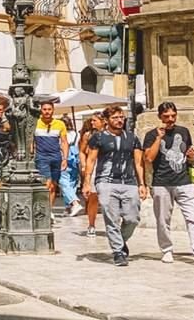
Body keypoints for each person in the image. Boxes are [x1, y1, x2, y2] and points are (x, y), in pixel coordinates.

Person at [143, 102, 194, 265]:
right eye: (166, 116)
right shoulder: (152, 135)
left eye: (173, 116)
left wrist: (191, 156)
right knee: (162, 219)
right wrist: (159, 138)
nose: (170, 119)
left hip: (184, 181)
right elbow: (148, 158)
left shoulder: (184, 131)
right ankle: (166, 250)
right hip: (162, 183)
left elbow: (188, 154)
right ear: (159, 117)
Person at [83, 106, 147, 266]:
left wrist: (142, 184)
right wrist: (86, 182)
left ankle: (120, 241)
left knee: (132, 218)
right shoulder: (98, 138)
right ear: (106, 120)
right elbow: (90, 160)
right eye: (115, 118)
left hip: (129, 181)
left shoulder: (132, 138)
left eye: (121, 117)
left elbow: (139, 162)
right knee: (111, 218)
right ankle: (118, 252)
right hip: (105, 181)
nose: (119, 120)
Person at [33, 101, 68, 221]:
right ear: (41, 110)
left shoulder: (60, 124)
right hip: (42, 157)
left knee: (53, 186)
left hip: (56, 157)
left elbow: (64, 142)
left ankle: (50, 210)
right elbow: (30, 140)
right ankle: (45, 211)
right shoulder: (35, 123)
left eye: (49, 109)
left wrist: (65, 158)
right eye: (44, 109)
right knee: (47, 184)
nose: (47, 112)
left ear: (53, 110)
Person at [79, 112, 104, 237]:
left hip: (106, 167)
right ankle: (91, 224)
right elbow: (82, 151)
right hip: (93, 166)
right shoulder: (88, 135)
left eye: (95, 120)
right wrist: (83, 165)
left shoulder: (111, 134)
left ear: (103, 121)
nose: (92, 123)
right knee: (93, 197)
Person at [60, 115, 83, 217]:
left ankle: (75, 203)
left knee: (63, 182)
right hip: (75, 159)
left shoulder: (61, 135)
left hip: (64, 158)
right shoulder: (76, 134)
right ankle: (68, 207)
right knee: (72, 183)